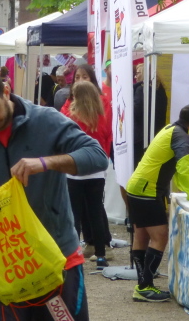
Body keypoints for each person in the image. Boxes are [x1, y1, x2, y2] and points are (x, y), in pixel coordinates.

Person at [0, 71, 108, 320]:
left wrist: (46, 162)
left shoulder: (46, 120)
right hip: (9, 265)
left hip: (57, 257)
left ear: (6, 92)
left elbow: (97, 156)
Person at [127, 104, 189, 302]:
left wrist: (188, 191)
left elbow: (175, 168)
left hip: (136, 187)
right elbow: (183, 168)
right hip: (147, 191)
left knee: (141, 235)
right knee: (160, 235)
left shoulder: (170, 129)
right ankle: (145, 286)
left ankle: (143, 284)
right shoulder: (181, 136)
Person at [61, 81, 113, 270]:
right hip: (97, 170)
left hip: (75, 168)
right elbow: (107, 138)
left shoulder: (69, 116)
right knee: (96, 213)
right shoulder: (102, 116)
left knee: (74, 215)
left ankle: (74, 255)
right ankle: (101, 255)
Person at [132, 63, 168, 168]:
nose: (135, 76)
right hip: (157, 135)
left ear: (144, 73)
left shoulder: (141, 89)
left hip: (141, 138)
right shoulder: (160, 90)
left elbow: (136, 111)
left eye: (138, 73)